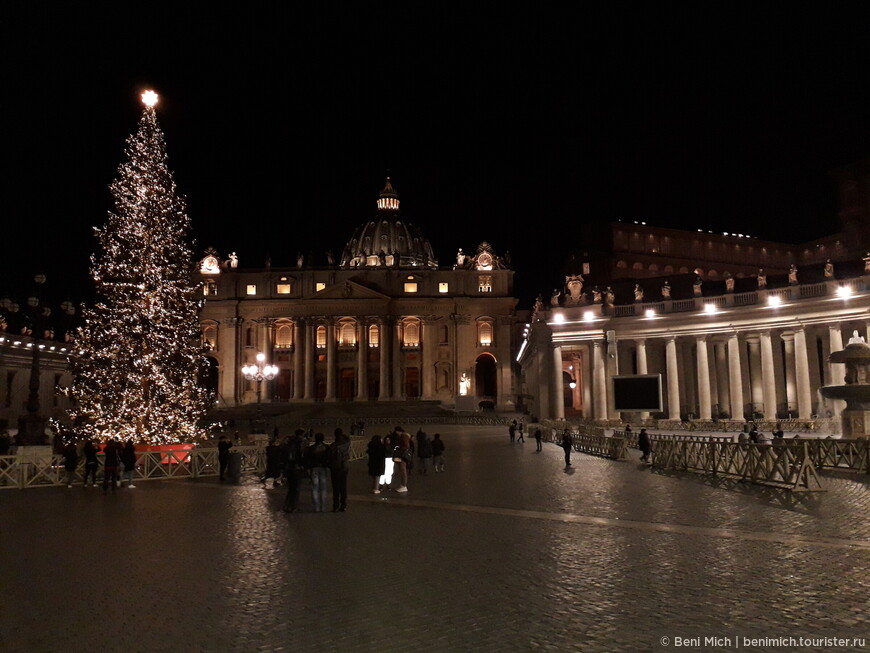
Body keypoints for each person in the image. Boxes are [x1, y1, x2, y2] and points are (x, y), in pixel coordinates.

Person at [304, 433, 331, 512]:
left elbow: (307, 459)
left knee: (315, 488)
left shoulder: (311, 448)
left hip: (314, 468)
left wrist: (308, 469)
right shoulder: (326, 447)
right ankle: (323, 507)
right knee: (323, 488)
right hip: (324, 468)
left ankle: (316, 507)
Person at [282, 430, 305, 513]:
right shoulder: (299, 444)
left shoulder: (289, 444)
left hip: (288, 469)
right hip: (296, 468)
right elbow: (301, 456)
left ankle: (287, 505)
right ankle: (294, 506)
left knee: (291, 488)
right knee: (296, 489)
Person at [329, 428, 351, 512]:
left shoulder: (333, 446)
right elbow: (348, 438)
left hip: (335, 467)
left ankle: (336, 505)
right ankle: (343, 505)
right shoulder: (346, 443)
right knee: (343, 486)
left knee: (335, 487)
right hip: (344, 466)